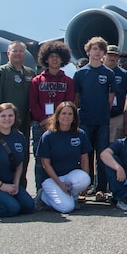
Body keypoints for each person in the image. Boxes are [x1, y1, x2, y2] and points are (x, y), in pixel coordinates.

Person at [0, 41, 36, 188]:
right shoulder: (0, 73)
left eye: (21, 51)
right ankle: (1, 187)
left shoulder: (30, 73)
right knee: (2, 157)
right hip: (4, 125)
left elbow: (33, 99)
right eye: (15, 51)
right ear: (8, 54)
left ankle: (20, 188)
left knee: (23, 156)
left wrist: (32, 119)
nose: (18, 54)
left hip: (24, 124)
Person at [73, 36, 116, 202]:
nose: (97, 52)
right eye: (94, 49)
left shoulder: (109, 74)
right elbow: (76, 98)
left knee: (102, 155)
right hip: (85, 120)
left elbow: (110, 99)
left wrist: (103, 113)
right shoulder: (80, 73)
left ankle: (100, 189)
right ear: (88, 51)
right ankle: (84, 187)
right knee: (85, 155)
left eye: (100, 49)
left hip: (102, 120)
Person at [29, 41, 75, 188]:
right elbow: (33, 102)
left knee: (59, 158)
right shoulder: (37, 80)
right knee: (40, 159)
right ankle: (40, 191)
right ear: (46, 59)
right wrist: (43, 120)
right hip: (40, 125)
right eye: (51, 56)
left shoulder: (68, 81)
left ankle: (59, 189)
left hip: (61, 125)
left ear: (63, 59)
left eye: (57, 57)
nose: (54, 59)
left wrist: (58, 121)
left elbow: (69, 102)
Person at [36, 101, 92, 214]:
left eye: (70, 114)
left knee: (85, 179)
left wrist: (86, 185)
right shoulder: (48, 136)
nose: (66, 117)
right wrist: (59, 183)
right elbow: (45, 163)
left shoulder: (80, 134)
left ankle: (71, 196)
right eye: (63, 113)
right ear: (57, 116)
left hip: (70, 176)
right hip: (51, 178)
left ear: (74, 117)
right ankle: (44, 197)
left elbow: (85, 160)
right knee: (66, 208)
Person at [104, 45, 127, 143]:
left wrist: (125, 118)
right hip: (100, 116)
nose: (112, 58)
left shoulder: (123, 74)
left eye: (115, 56)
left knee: (116, 146)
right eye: (109, 55)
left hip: (117, 116)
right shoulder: (97, 71)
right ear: (104, 55)